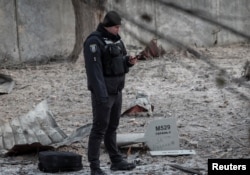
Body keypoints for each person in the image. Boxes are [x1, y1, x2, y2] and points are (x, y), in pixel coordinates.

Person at [83, 11, 137, 175]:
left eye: (119, 27)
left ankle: (116, 160)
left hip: (117, 90)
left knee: (112, 127)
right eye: (116, 27)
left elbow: (116, 64)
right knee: (99, 129)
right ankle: (95, 167)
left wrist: (128, 62)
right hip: (104, 93)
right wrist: (101, 95)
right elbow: (94, 72)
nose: (118, 30)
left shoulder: (116, 41)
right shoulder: (94, 42)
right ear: (108, 26)